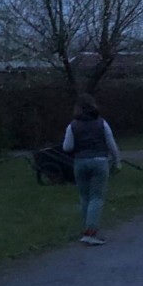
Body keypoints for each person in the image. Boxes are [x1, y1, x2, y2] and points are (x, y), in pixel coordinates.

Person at [62, 94, 121, 245]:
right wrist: (116, 160)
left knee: (84, 197)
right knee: (96, 197)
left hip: (80, 163)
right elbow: (111, 144)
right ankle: (91, 232)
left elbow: (67, 147)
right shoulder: (101, 123)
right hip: (100, 162)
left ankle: (87, 229)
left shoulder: (72, 125)